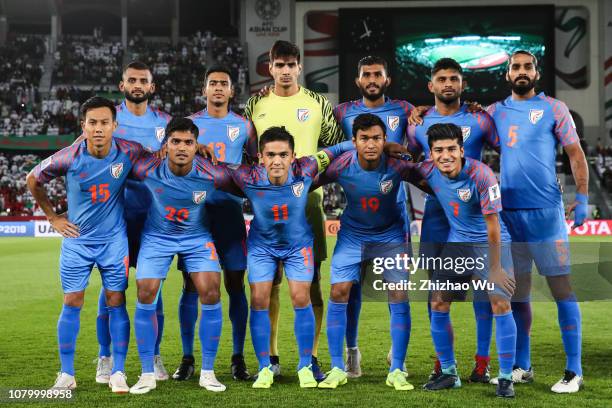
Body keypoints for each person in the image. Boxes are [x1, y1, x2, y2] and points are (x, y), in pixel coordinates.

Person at [212, 126, 351, 389]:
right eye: (271, 154)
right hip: (262, 247)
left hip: (298, 246)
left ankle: (305, 366)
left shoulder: (307, 168)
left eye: (283, 155)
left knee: (301, 297)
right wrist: (198, 150)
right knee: (259, 299)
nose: (277, 160)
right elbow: (212, 167)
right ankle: (265, 367)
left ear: (293, 156)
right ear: (260, 157)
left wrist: (369, 145)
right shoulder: (246, 175)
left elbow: (339, 148)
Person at [27, 97, 146, 393]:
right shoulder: (69, 156)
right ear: (83, 126)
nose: (98, 128)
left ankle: (118, 371)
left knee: (116, 301)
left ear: (114, 126)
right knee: (72, 302)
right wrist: (53, 217)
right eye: (92, 123)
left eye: (104, 122)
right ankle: (67, 374)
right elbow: (32, 179)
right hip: (78, 241)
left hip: (114, 242)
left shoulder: (129, 151)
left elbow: (159, 160)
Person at [486, 50, 588, 393]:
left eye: (527, 66)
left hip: (546, 215)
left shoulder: (554, 109)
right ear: (507, 74)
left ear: (536, 72)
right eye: (515, 67)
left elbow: (575, 153)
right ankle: (522, 365)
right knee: (519, 295)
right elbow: (463, 128)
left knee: (562, 290)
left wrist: (584, 198)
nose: (521, 71)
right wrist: (419, 115)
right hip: (509, 215)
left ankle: (574, 371)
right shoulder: (495, 112)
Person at [244, 40, 345, 379]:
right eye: (279, 64)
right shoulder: (255, 104)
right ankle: (270, 356)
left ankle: (311, 356)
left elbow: (333, 147)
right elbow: (247, 151)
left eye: (291, 64)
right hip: (267, 205)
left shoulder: (317, 102)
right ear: (269, 67)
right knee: (266, 284)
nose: (285, 70)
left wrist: (314, 179)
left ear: (299, 67)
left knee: (312, 283)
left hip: (309, 202)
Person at [405, 58, 500, 382]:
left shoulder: (480, 118)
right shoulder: (416, 122)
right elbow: (410, 161)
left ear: (462, 85)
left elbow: (509, 148)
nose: (448, 84)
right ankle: (443, 363)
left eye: (454, 79)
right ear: (431, 85)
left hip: (473, 213)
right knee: (438, 290)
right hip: (436, 214)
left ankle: (482, 361)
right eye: (442, 78)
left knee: (483, 290)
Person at [312, 114, 422, 390]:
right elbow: (308, 182)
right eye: (364, 139)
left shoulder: (398, 165)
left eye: (376, 138)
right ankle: (339, 366)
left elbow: (429, 180)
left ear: (385, 140)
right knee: (339, 291)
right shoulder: (342, 165)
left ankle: (397, 367)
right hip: (352, 235)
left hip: (390, 236)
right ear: (354, 142)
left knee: (399, 294)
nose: (370, 144)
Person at [128, 118, 237, 394]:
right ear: (166, 145)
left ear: (196, 146)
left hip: (197, 237)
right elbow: (118, 156)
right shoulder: (146, 167)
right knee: (146, 292)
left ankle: (208, 372)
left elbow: (246, 182)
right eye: (175, 141)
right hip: (157, 237)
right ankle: (146, 373)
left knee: (211, 291)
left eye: (188, 142)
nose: (182, 147)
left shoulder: (212, 172)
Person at [409, 123, 517, 398]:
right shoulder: (428, 170)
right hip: (458, 242)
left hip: (490, 242)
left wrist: (494, 268)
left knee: (500, 301)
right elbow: (402, 167)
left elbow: (493, 225)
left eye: (451, 149)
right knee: (438, 301)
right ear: (431, 153)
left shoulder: (482, 174)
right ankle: (448, 373)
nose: (445, 155)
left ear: (461, 149)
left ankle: (505, 377)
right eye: (438, 150)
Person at [172, 65, 256, 381]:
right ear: (204, 90)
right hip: (197, 218)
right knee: (191, 286)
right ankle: (187, 357)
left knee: (236, 284)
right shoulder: (190, 125)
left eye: (224, 83)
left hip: (231, 215)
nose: (218, 88)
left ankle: (238, 358)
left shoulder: (245, 126)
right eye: (212, 83)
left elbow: (254, 165)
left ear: (232, 91)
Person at [332, 57, 414, 376]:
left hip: (394, 210)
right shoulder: (341, 112)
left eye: (377, 74)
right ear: (358, 80)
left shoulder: (406, 109)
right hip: (357, 206)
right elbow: (330, 145)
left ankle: (399, 355)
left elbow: (420, 143)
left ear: (387, 79)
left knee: (398, 289)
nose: (371, 79)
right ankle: (351, 353)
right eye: (366, 74)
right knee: (350, 289)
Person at [95, 61, 172, 383]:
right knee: (112, 287)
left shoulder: (166, 123)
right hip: (115, 217)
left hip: (153, 216)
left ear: (152, 87)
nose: (137, 84)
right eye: (132, 80)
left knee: (151, 286)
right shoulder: (109, 119)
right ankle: (105, 356)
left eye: (144, 80)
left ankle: (153, 355)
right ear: (122, 85)